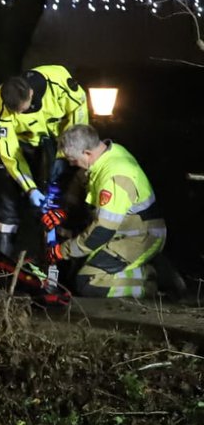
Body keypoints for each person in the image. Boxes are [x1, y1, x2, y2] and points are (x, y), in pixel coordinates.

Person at [47, 125, 167, 298]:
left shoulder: (114, 178)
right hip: (124, 232)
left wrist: (61, 251)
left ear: (87, 153)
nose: (72, 164)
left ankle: (149, 282)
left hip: (141, 237)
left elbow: (101, 232)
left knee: (87, 282)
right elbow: (82, 178)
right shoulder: (109, 153)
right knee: (76, 266)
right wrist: (64, 213)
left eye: (73, 159)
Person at [0, 65, 88, 260]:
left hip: (62, 139)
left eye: (22, 111)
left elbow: (79, 112)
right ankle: (5, 262)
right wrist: (30, 188)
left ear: (31, 93)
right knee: (9, 193)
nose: (17, 116)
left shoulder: (59, 82)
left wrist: (68, 152)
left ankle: (61, 258)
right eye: (14, 112)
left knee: (65, 195)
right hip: (25, 144)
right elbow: (10, 154)